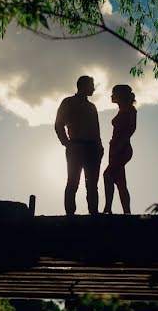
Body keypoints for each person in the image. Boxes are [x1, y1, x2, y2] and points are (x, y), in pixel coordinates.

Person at [55, 76, 103, 215]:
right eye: (91, 85)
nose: (93, 88)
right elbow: (59, 125)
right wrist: (67, 143)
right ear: (82, 86)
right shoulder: (69, 102)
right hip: (76, 146)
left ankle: (93, 213)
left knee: (92, 184)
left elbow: (96, 129)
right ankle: (70, 214)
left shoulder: (92, 107)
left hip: (92, 148)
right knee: (73, 182)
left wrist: (99, 147)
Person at [103, 84, 136, 215]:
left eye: (114, 93)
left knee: (108, 175)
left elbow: (131, 129)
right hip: (115, 147)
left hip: (122, 148)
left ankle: (108, 208)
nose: (111, 96)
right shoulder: (122, 109)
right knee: (120, 182)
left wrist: (120, 146)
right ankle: (127, 212)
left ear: (120, 95)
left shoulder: (129, 109)